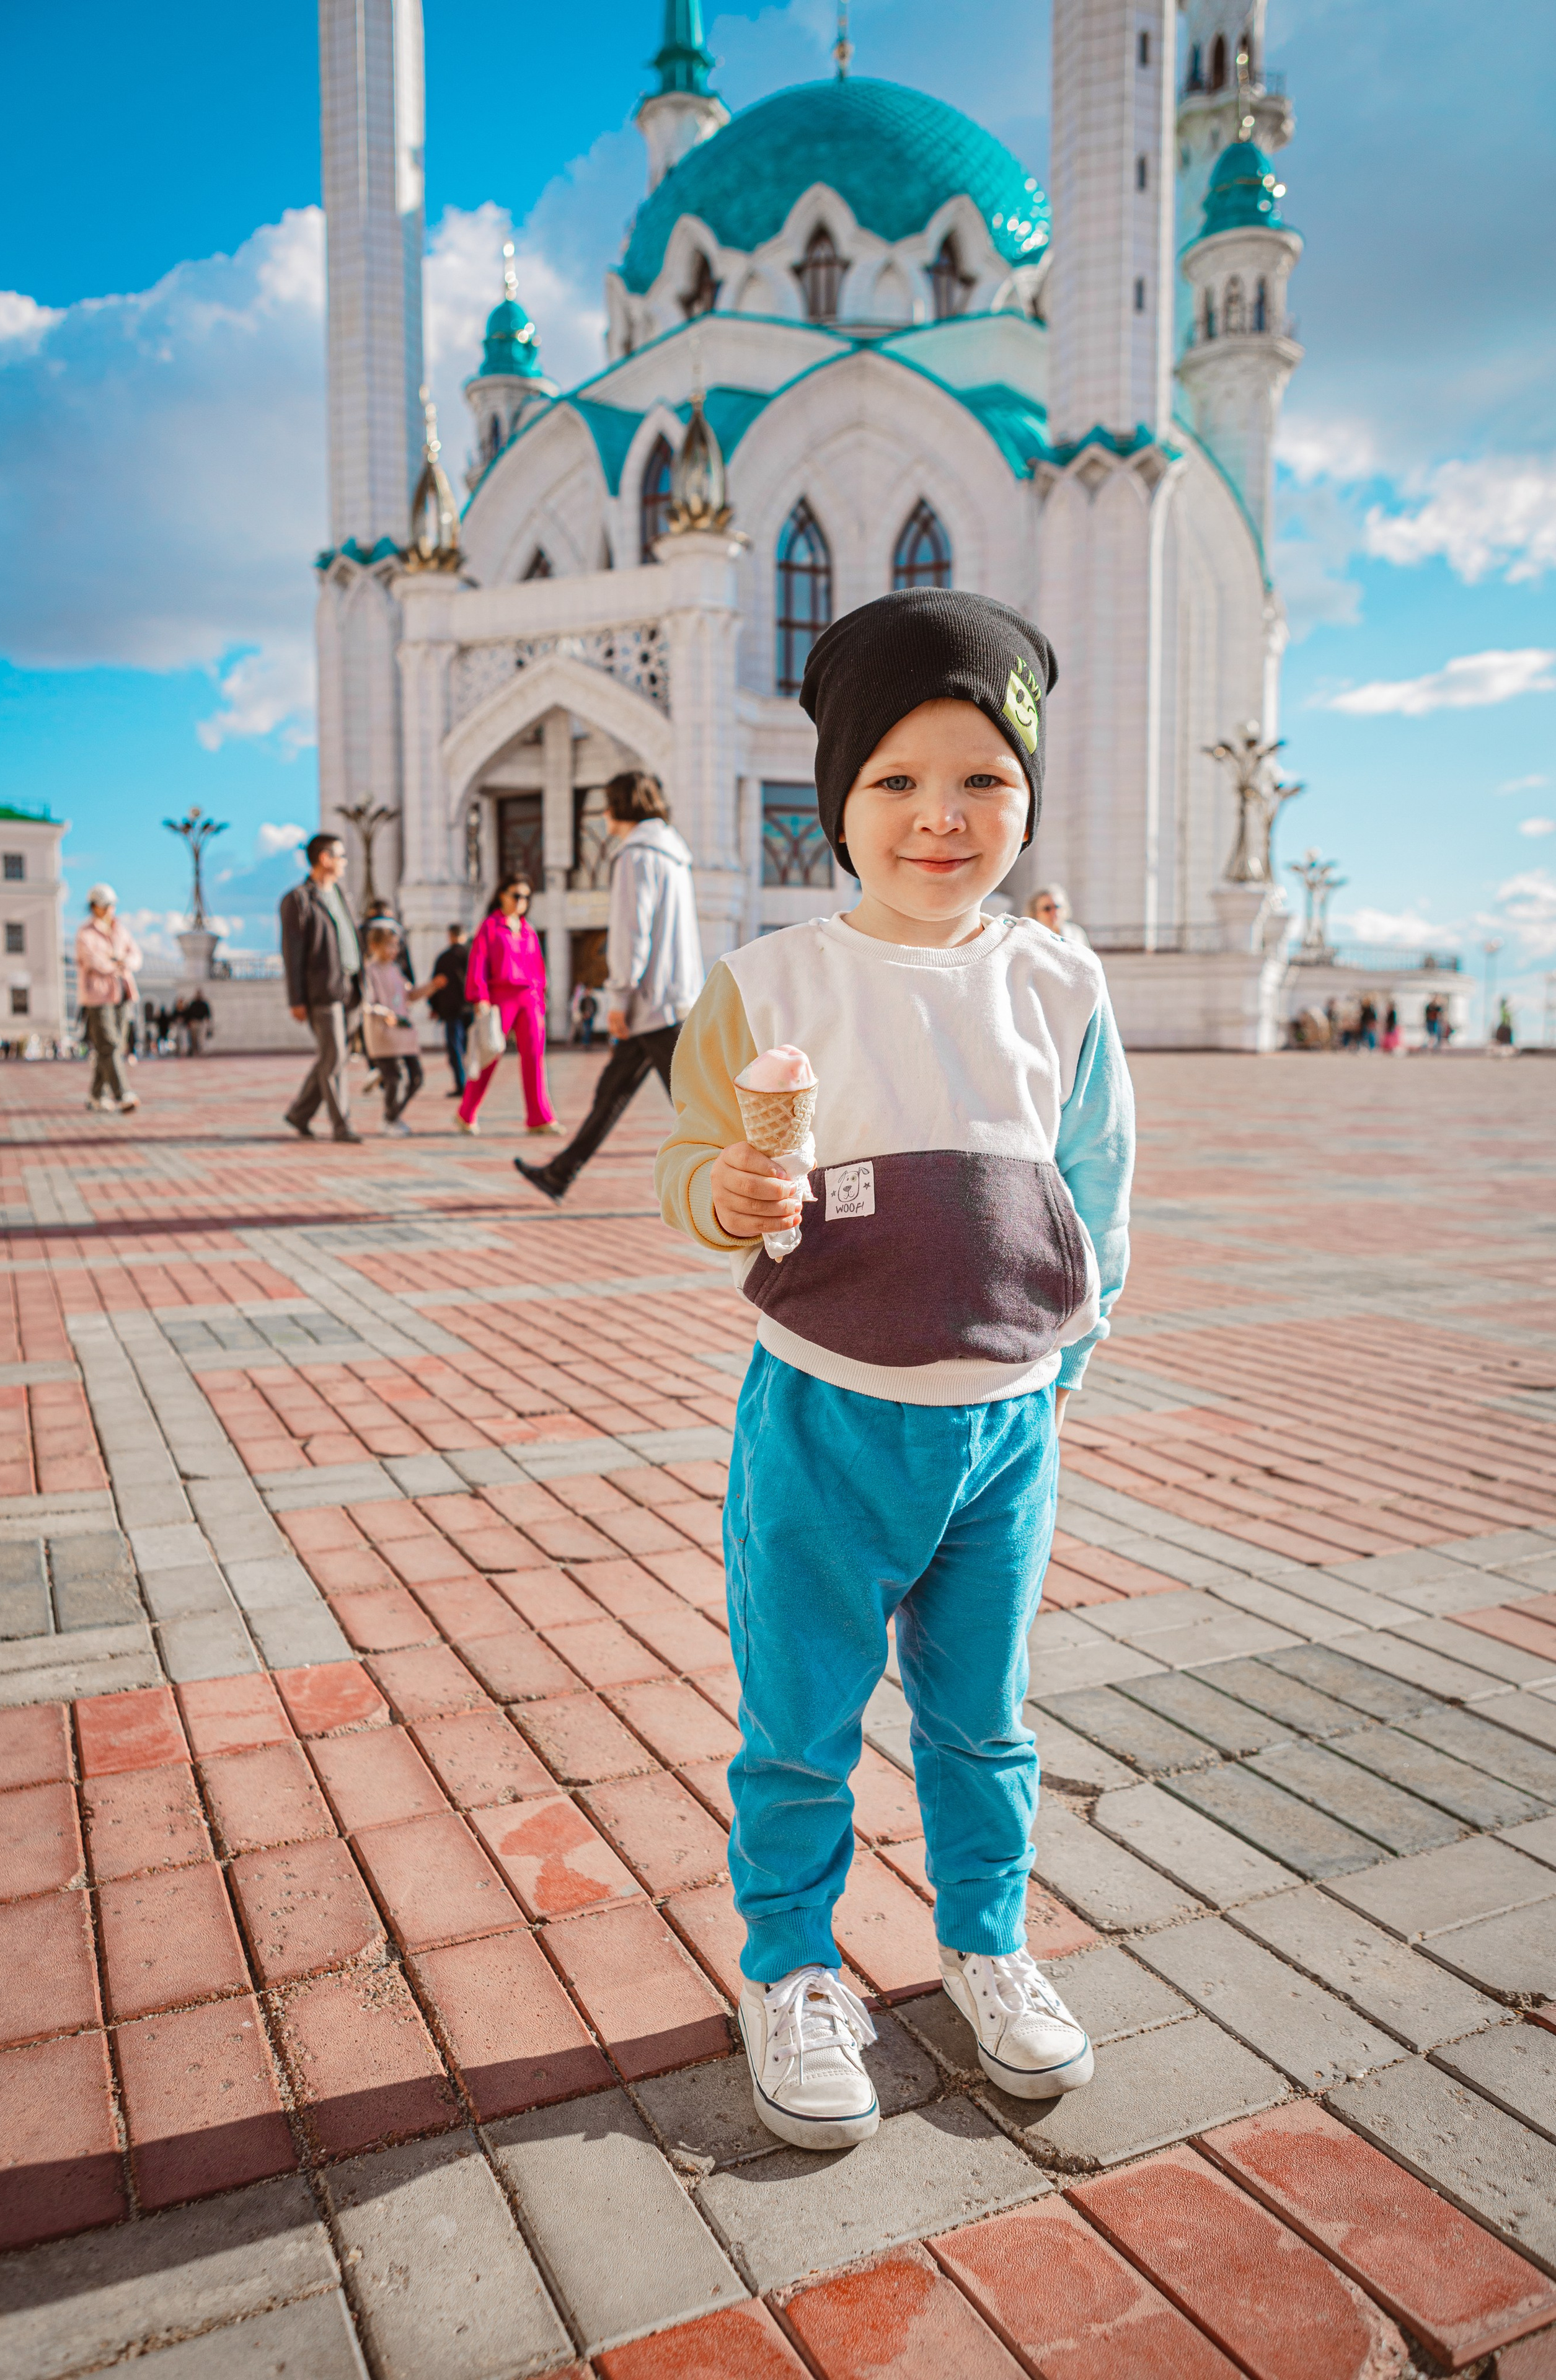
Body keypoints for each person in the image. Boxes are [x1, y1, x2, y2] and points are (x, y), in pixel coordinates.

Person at [655, 588, 1134, 2149]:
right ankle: (790, 1968)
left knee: (982, 1720)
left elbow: (1095, 1178)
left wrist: (1066, 1356)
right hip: (822, 1416)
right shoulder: (768, 984)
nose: (941, 816)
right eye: (896, 780)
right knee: (799, 1721)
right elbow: (688, 1162)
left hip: (1004, 1432)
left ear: (1027, 799)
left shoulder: (1058, 982)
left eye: (983, 778)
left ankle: (985, 1943)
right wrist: (728, 1189)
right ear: (837, 802)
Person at [515, 771, 703, 1201]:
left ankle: (754, 1185)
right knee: (612, 1092)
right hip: (672, 997)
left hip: (650, 1003)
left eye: (607, 805)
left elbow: (630, 932)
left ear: (621, 806)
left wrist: (619, 997)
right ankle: (560, 1172)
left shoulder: (636, 856)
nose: (603, 815)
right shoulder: (673, 853)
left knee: (699, 1108)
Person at [457, 876, 558, 1136]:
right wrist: (480, 997)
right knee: (489, 1054)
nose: (521, 901)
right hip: (500, 997)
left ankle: (539, 1119)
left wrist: (541, 1000)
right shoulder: (490, 927)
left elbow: (538, 968)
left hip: (530, 999)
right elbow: (478, 961)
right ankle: (466, 1114)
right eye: (516, 895)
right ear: (502, 895)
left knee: (535, 1057)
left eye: (526, 897)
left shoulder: (528, 930)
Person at [280, 831, 363, 1143]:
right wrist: (296, 999)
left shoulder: (341, 895)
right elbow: (292, 953)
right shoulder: (298, 899)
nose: (345, 863)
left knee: (334, 1056)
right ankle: (342, 1125)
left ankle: (300, 1113)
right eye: (341, 856)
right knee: (334, 1056)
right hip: (322, 991)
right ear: (325, 859)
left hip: (351, 987)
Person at [74, 884, 143, 1115]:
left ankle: (97, 1095)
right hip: (98, 996)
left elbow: (135, 955)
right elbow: (92, 960)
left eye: (112, 905)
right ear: (95, 906)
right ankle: (123, 1094)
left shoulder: (120, 929)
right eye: (105, 906)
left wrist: (121, 961)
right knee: (109, 1044)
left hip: (122, 993)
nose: (110, 910)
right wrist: (117, 963)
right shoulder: (85, 933)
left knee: (113, 1047)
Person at [361, 920, 425, 1133]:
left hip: (402, 1032)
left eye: (396, 946)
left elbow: (408, 995)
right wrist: (385, 1013)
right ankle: (390, 1120)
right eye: (389, 945)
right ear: (374, 946)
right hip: (383, 1034)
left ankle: (392, 1115)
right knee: (394, 1078)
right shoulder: (369, 971)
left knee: (417, 1077)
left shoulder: (396, 969)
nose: (394, 950)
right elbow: (368, 1003)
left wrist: (433, 987)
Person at [425, 922, 474, 1096]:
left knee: (456, 1049)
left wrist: (434, 1007)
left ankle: (462, 1084)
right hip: (472, 1008)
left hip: (451, 1010)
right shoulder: (473, 955)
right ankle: (472, 1085)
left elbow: (436, 984)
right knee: (471, 1047)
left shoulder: (444, 958)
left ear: (451, 936)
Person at [1025, 881, 1090, 947]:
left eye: (1057, 907)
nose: (1054, 912)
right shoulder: (1030, 937)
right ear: (1035, 913)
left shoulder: (1076, 933)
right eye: (1047, 909)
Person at [184, 991, 212, 1056]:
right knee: (194, 1037)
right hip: (194, 1022)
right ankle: (195, 1050)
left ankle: (201, 1050)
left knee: (201, 1037)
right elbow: (189, 1013)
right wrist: (189, 1021)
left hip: (201, 1022)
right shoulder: (193, 1004)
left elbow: (208, 1013)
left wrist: (208, 1020)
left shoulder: (204, 1004)